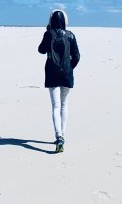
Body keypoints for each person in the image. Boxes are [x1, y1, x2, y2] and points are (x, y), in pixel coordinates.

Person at [37, 9, 80, 153]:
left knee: (55, 106)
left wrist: (47, 32)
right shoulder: (70, 35)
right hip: (66, 74)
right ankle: (63, 136)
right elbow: (77, 56)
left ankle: (59, 136)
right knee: (64, 105)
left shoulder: (49, 34)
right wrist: (69, 68)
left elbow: (41, 50)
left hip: (52, 73)